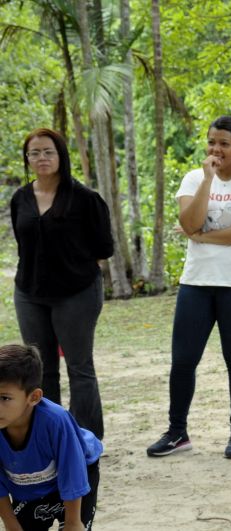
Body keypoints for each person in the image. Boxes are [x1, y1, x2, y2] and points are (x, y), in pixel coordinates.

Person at [146, 116, 231, 459]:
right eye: (212, 142)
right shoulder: (193, 178)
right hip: (196, 283)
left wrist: (201, 237)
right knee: (183, 360)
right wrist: (207, 180)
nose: (216, 149)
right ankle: (176, 432)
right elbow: (189, 221)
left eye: (224, 144)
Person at [11, 128, 113, 441]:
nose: (41, 158)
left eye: (48, 152)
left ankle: (85, 439)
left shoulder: (84, 198)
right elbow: (23, 243)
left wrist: (73, 271)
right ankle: (51, 436)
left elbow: (103, 248)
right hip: (30, 293)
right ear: (27, 159)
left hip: (77, 293)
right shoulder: (21, 198)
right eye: (35, 153)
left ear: (60, 156)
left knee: (80, 368)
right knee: (41, 370)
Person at [0, 344, 103, 531]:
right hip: (31, 485)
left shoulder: (55, 421)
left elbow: (72, 470)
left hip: (79, 471)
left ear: (34, 397)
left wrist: (72, 522)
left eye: (4, 398)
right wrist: (10, 524)